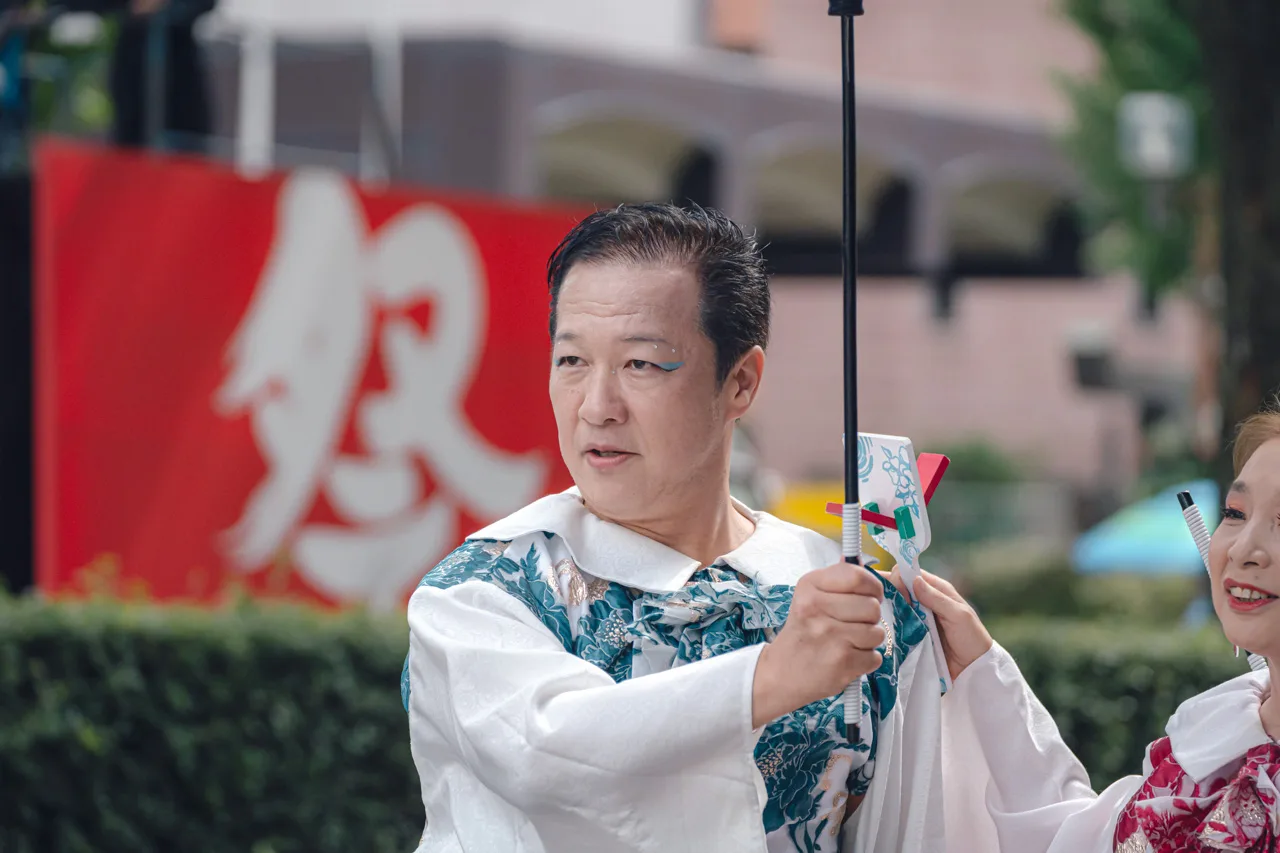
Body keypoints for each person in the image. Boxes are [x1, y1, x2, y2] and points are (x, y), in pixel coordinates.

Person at [400, 203, 991, 852]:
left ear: (740, 381)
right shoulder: (484, 590)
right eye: (571, 361)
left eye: (641, 364)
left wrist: (977, 681)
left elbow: (934, 826)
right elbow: (547, 754)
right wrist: (768, 678)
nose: (596, 407)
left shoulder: (843, 601)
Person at [939, 406, 1280, 853]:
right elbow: (1075, 841)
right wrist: (979, 670)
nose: (1242, 549)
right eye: (1235, 513)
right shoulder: (1213, 735)